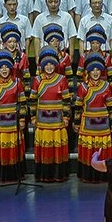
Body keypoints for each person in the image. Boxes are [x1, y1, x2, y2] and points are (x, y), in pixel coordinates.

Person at [31, 48, 73, 183]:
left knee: (57, 149)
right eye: (46, 64)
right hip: (42, 123)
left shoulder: (62, 79)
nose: (49, 67)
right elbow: (33, 101)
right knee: (45, 150)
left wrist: (66, 117)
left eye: (51, 64)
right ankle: (44, 175)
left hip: (58, 122)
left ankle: (58, 174)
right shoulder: (37, 80)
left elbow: (66, 101)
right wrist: (33, 117)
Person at [74, 53, 112, 182]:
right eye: (93, 70)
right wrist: (76, 123)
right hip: (87, 126)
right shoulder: (83, 87)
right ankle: (88, 175)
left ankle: (102, 175)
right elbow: (78, 106)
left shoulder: (106, 86)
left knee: (102, 150)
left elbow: (111, 106)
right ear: (88, 72)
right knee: (89, 151)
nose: (96, 72)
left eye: (98, 70)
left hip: (103, 126)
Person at [0, 52, 26, 183]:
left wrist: (22, 120)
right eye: (1, 67)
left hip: (14, 124)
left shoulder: (17, 83)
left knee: (14, 150)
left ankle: (15, 175)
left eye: (7, 67)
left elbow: (22, 103)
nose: (4, 70)